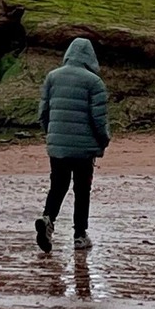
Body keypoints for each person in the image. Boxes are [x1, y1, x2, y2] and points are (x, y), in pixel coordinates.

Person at [34, 37, 110, 252]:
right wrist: (103, 140)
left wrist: (51, 136)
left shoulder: (52, 77)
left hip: (58, 145)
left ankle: (48, 219)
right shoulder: (94, 82)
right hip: (83, 148)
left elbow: (43, 113)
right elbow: (99, 119)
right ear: (90, 57)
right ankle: (79, 235)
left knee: (58, 185)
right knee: (82, 190)